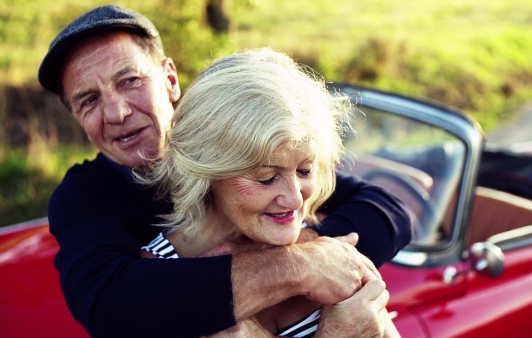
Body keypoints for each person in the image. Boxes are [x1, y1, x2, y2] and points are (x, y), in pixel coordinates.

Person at [37, 4, 411, 337]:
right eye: (89, 100)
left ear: (170, 79)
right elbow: (111, 304)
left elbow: (388, 211)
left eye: (130, 81)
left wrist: (311, 246)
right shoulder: (84, 196)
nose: (116, 113)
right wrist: (298, 267)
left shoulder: (245, 139)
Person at [139, 47, 400, 337]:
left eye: (304, 171)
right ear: (207, 172)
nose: (295, 199)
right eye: (266, 178)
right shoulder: (157, 284)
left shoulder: (326, 249)